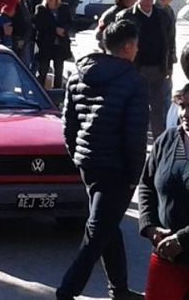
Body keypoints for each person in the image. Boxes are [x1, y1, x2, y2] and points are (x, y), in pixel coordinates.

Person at [57, 19, 149, 300]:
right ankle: (66, 291)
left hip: (88, 162)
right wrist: (136, 175)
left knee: (107, 226)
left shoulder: (79, 73)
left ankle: (119, 289)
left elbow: (68, 124)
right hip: (117, 167)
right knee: (98, 232)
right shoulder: (134, 80)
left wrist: (78, 155)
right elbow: (135, 135)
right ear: (129, 46)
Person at [138, 84, 189, 300]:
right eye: (183, 105)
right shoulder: (167, 141)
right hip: (167, 257)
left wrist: (183, 239)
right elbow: (147, 185)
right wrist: (150, 227)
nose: (186, 113)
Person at [118, 0, 170, 139]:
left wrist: (169, 64)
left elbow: (170, 40)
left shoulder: (162, 15)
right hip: (135, 68)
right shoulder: (126, 16)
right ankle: (135, 138)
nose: (147, 1)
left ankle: (159, 140)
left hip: (157, 67)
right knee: (136, 106)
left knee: (157, 107)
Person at [34, 0, 72, 89]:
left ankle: (57, 94)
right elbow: (40, 25)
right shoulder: (40, 9)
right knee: (43, 71)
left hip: (60, 45)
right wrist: (55, 30)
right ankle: (40, 92)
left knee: (58, 72)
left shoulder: (64, 7)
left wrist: (64, 30)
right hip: (45, 44)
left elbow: (69, 23)